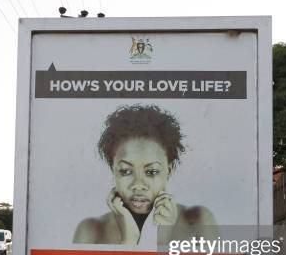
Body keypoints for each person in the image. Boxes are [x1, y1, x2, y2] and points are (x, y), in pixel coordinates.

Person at [73, 104, 217, 245]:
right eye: (126, 171)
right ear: (113, 170)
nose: (138, 185)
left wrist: (163, 239)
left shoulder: (199, 221)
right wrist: (128, 241)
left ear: (169, 170)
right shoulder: (90, 232)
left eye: (151, 172)